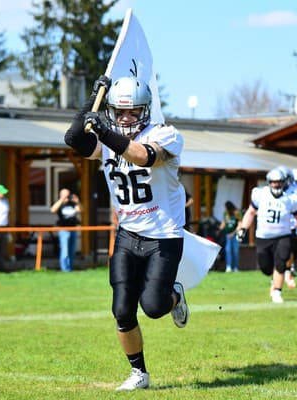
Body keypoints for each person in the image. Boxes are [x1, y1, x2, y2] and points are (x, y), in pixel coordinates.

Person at [64, 75, 190, 391]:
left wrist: (105, 131)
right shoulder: (108, 141)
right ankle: (139, 374)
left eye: (133, 111)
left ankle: (174, 296)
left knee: (153, 306)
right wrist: (89, 102)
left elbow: (144, 156)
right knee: (122, 309)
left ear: (146, 110)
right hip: (128, 234)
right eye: (120, 112)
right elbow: (74, 140)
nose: (126, 118)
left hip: (163, 235)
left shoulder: (166, 134)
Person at [235, 167, 297, 303]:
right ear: (269, 182)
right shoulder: (261, 194)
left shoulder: (291, 198)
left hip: (283, 235)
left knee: (281, 263)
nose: (276, 184)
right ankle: (274, 280)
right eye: (273, 182)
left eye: (278, 182)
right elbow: (250, 212)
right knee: (265, 267)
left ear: (284, 182)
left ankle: (277, 291)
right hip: (263, 236)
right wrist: (243, 229)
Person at [50, 188, 82, 272]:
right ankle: (65, 270)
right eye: (65, 195)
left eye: (68, 195)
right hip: (63, 230)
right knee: (65, 251)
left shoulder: (73, 204)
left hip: (73, 229)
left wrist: (77, 201)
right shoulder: (59, 204)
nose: (67, 197)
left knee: (72, 251)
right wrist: (62, 199)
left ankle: (70, 269)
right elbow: (53, 210)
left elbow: (80, 210)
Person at [217, 200, 242, 272]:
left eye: (226, 207)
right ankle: (228, 267)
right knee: (228, 250)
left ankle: (235, 267)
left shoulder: (237, 213)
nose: (225, 209)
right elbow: (223, 223)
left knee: (235, 250)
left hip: (235, 235)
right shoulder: (226, 213)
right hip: (227, 235)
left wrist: (233, 233)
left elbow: (240, 225)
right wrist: (219, 230)